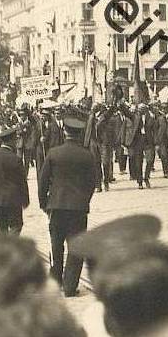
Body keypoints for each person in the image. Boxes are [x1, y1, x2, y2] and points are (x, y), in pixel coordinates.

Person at [38, 111, 98, 297]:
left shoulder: (53, 153)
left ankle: (55, 281)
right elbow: (92, 182)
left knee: (56, 246)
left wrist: (44, 204)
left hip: (56, 206)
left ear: (64, 132)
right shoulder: (87, 155)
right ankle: (70, 286)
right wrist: (84, 200)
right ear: (79, 134)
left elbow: (43, 181)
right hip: (78, 209)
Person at [0, 126, 29, 236]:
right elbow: (22, 182)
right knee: (16, 226)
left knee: (1, 229)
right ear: (11, 141)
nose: (16, 142)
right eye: (15, 140)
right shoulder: (16, 159)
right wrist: (25, 199)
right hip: (13, 200)